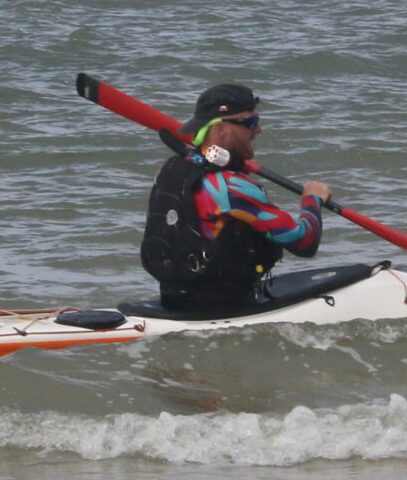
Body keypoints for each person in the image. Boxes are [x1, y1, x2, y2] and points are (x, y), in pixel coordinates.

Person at [139, 84, 334, 312]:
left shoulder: (169, 169)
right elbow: (304, 242)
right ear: (220, 129)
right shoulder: (232, 187)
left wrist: (234, 164)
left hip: (174, 298)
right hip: (225, 304)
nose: (258, 129)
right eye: (250, 122)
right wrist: (312, 199)